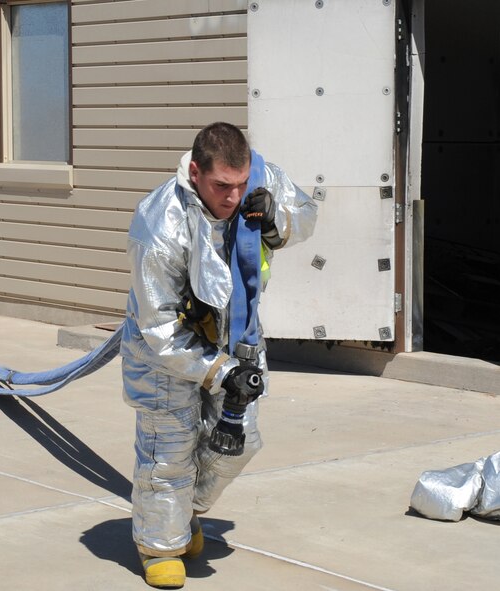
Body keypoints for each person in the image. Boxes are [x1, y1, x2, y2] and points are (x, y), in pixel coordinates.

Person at [120, 122, 317, 588]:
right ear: (195, 172)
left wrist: (277, 218)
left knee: (239, 441)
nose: (233, 197)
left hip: (236, 335)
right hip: (165, 352)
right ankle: (159, 546)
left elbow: (305, 214)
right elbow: (160, 328)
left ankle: (184, 511)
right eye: (221, 186)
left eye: (241, 184)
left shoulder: (259, 179)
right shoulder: (159, 224)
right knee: (170, 450)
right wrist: (220, 371)